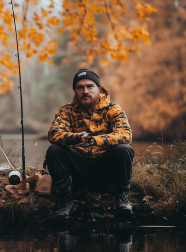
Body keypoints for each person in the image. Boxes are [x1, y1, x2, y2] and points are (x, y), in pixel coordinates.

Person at [45, 68, 134, 222]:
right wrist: (76, 138)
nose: (85, 91)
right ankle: (66, 200)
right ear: (75, 91)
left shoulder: (113, 110)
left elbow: (126, 134)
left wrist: (97, 140)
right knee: (54, 149)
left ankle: (122, 198)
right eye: (80, 87)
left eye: (89, 86)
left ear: (99, 89)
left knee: (124, 149)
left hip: (106, 168)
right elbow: (54, 134)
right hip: (79, 169)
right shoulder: (66, 111)